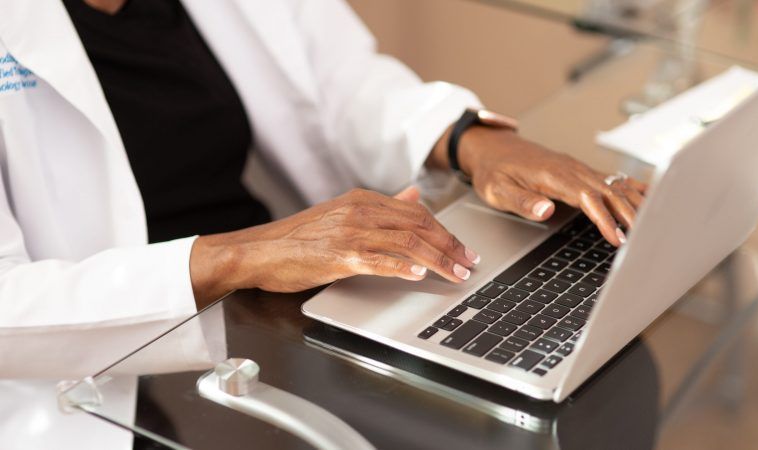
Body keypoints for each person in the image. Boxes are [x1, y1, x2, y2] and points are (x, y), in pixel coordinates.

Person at [0, 0, 646, 448]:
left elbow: (344, 86)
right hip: (96, 371)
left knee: (605, 371)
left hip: (273, 301)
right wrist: (242, 255)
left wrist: (470, 141)